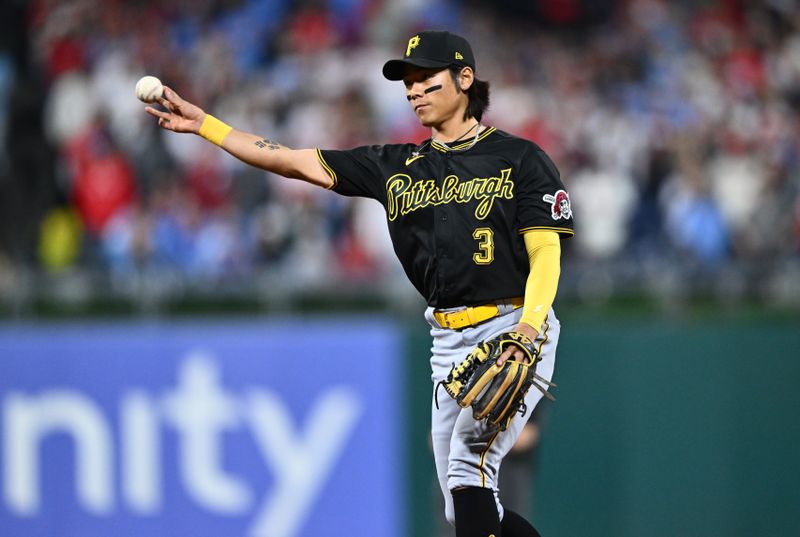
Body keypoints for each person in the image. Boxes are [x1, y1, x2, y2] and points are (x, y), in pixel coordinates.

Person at [145, 30, 574, 537]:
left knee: (466, 471)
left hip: (513, 326)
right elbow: (290, 159)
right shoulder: (394, 165)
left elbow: (546, 250)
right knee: (464, 507)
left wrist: (528, 327)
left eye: (425, 78)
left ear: (464, 79)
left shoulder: (519, 158)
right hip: (447, 340)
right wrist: (208, 127)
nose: (413, 90)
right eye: (407, 82)